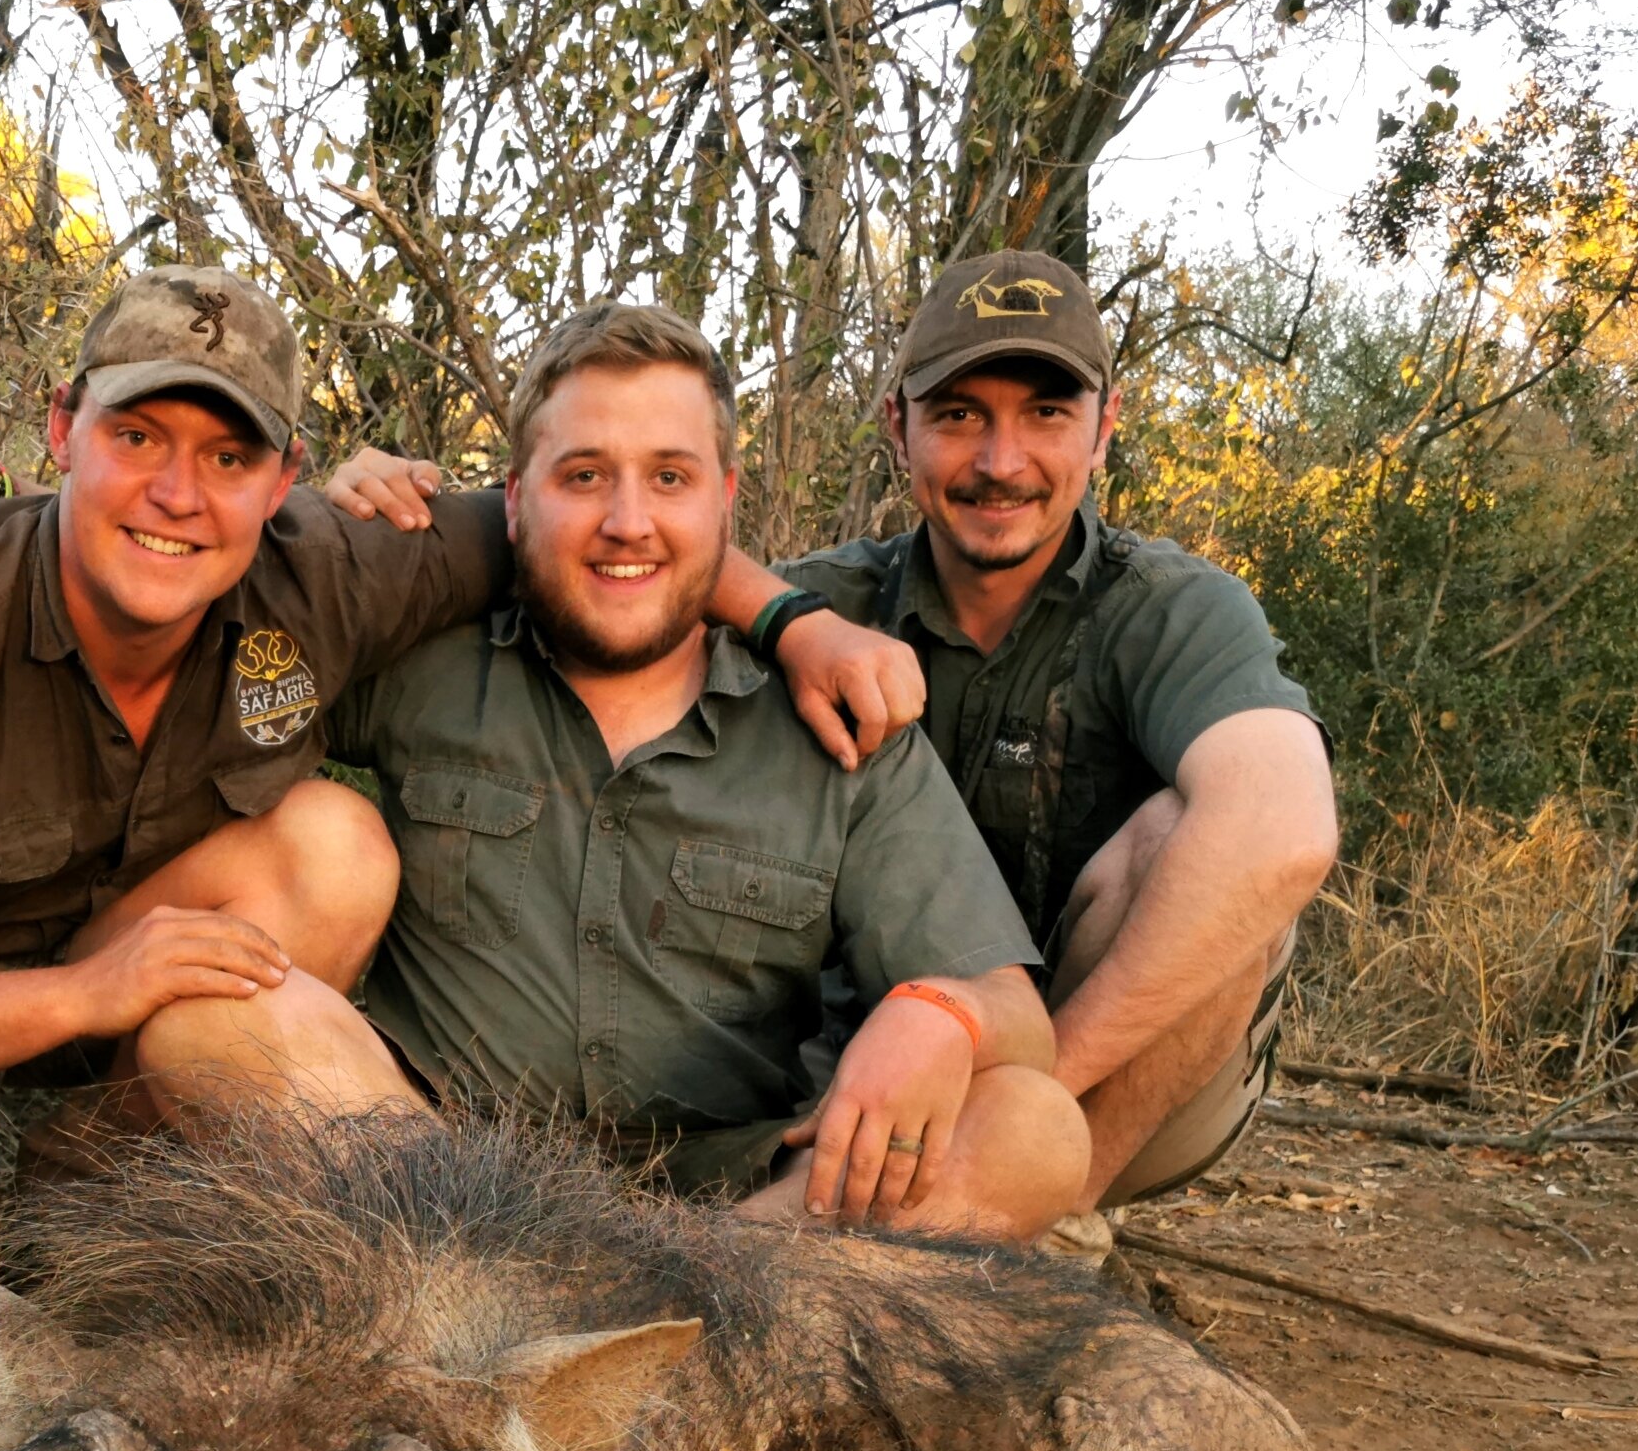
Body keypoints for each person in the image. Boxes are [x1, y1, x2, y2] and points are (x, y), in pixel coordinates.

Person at [0, 270, 918, 1341]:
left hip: (81, 945)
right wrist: (89, 1001)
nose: (177, 494)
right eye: (137, 437)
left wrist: (791, 620)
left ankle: (69, 1179)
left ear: (284, 480)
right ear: (60, 431)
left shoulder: (318, 570)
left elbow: (586, 526)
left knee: (333, 851)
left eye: (229, 455)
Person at [0, 305, 1087, 1236]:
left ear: (724, 501)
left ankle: (644, 1305)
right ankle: (569, 1303)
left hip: (731, 1215)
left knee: (1028, 1126)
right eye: (581, 477)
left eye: (667, 478)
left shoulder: (835, 719)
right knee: (209, 1021)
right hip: (415, 1169)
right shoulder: (416, 659)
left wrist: (940, 1012)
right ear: (510, 504)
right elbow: (167, 577)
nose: (625, 521)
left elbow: (1019, 1027)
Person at [325, 252, 1340, 1214]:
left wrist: (960, 1029)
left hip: (1087, 1057)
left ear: (1103, 427)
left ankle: (1051, 1232)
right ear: (897, 430)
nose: (1000, 459)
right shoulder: (818, 617)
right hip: (529, 1148)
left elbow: (1282, 834)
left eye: (1044, 413)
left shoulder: (1161, 609)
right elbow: (640, 570)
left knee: (1082, 1049)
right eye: (956, 416)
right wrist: (358, 539)